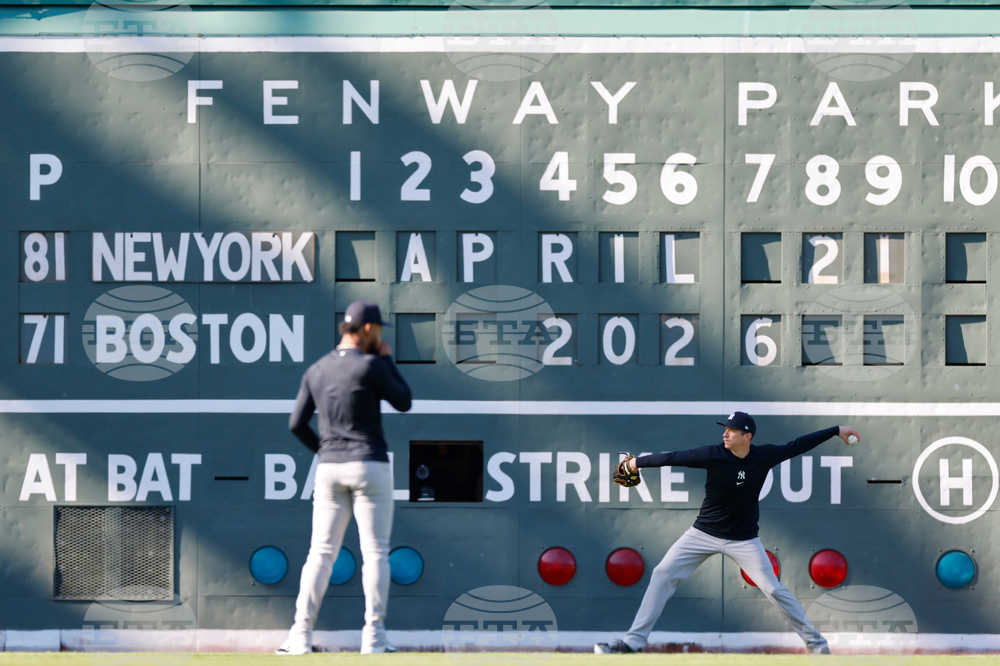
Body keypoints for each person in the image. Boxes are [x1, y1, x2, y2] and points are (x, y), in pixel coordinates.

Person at [595, 412, 860, 656]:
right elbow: (673, 457)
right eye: (725, 429)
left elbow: (799, 444)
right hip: (702, 534)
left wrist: (836, 430)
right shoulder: (712, 454)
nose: (725, 434)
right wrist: (636, 463)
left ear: (747, 437)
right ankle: (632, 642)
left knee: (773, 588)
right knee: (662, 574)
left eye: (732, 430)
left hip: (744, 540)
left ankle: (818, 647)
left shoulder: (764, 456)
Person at [278, 300, 412, 655]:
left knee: (320, 553)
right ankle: (374, 637)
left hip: (330, 467)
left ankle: (300, 637)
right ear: (367, 329)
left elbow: (295, 424)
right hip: (369, 463)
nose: (380, 335)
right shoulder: (371, 365)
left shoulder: (317, 369)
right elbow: (403, 400)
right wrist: (386, 359)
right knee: (375, 553)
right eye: (378, 330)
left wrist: (324, 450)